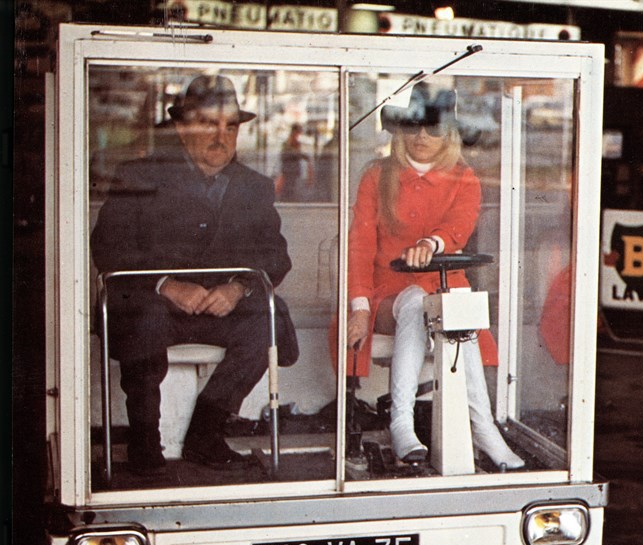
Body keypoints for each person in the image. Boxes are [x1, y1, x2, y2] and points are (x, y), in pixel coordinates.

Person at [91, 74, 299, 475]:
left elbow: (276, 256)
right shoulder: (139, 176)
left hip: (219, 311)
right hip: (155, 309)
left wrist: (237, 289)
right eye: (208, 123)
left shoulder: (254, 187)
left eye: (231, 126)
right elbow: (108, 247)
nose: (221, 136)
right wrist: (166, 285)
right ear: (182, 126)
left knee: (267, 321)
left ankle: (206, 432)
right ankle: (144, 440)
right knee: (145, 315)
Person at [337, 84, 524, 470]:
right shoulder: (376, 176)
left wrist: (432, 243)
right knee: (414, 302)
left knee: (457, 309)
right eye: (413, 127)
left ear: (450, 133)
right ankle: (402, 422)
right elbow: (358, 246)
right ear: (400, 131)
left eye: (433, 128)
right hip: (389, 294)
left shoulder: (464, 178)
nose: (422, 137)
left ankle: (483, 428)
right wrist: (358, 305)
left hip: (444, 290)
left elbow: (458, 225)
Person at [279, 123, 309, 201]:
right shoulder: (288, 143)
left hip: (294, 170)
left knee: (293, 187)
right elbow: (285, 155)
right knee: (288, 187)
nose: (298, 135)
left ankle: (290, 199)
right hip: (288, 170)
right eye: (297, 132)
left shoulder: (297, 143)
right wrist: (300, 155)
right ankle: (286, 200)